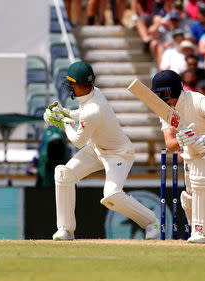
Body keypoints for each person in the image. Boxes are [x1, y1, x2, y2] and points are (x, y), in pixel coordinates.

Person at [43, 61, 159, 241]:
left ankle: (152, 222)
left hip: (118, 154)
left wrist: (61, 123)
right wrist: (62, 112)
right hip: (95, 149)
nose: (70, 88)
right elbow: (80, 116)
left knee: (112, 195)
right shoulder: (92, 94)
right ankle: (65, 230)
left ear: (80, 85)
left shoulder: (93, 109)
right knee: (64, 175)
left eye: (71, 84)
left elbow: (78, 140)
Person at [150, 70, 205, 243]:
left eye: (162, 97)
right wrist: (181, 140)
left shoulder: (199, 101)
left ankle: (203, 232)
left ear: (170, 93)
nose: (161, 102)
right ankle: (196, 228)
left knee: (203, 171)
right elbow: (170, 144)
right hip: (193, 151)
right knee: (190, 195)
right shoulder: (165, 110)